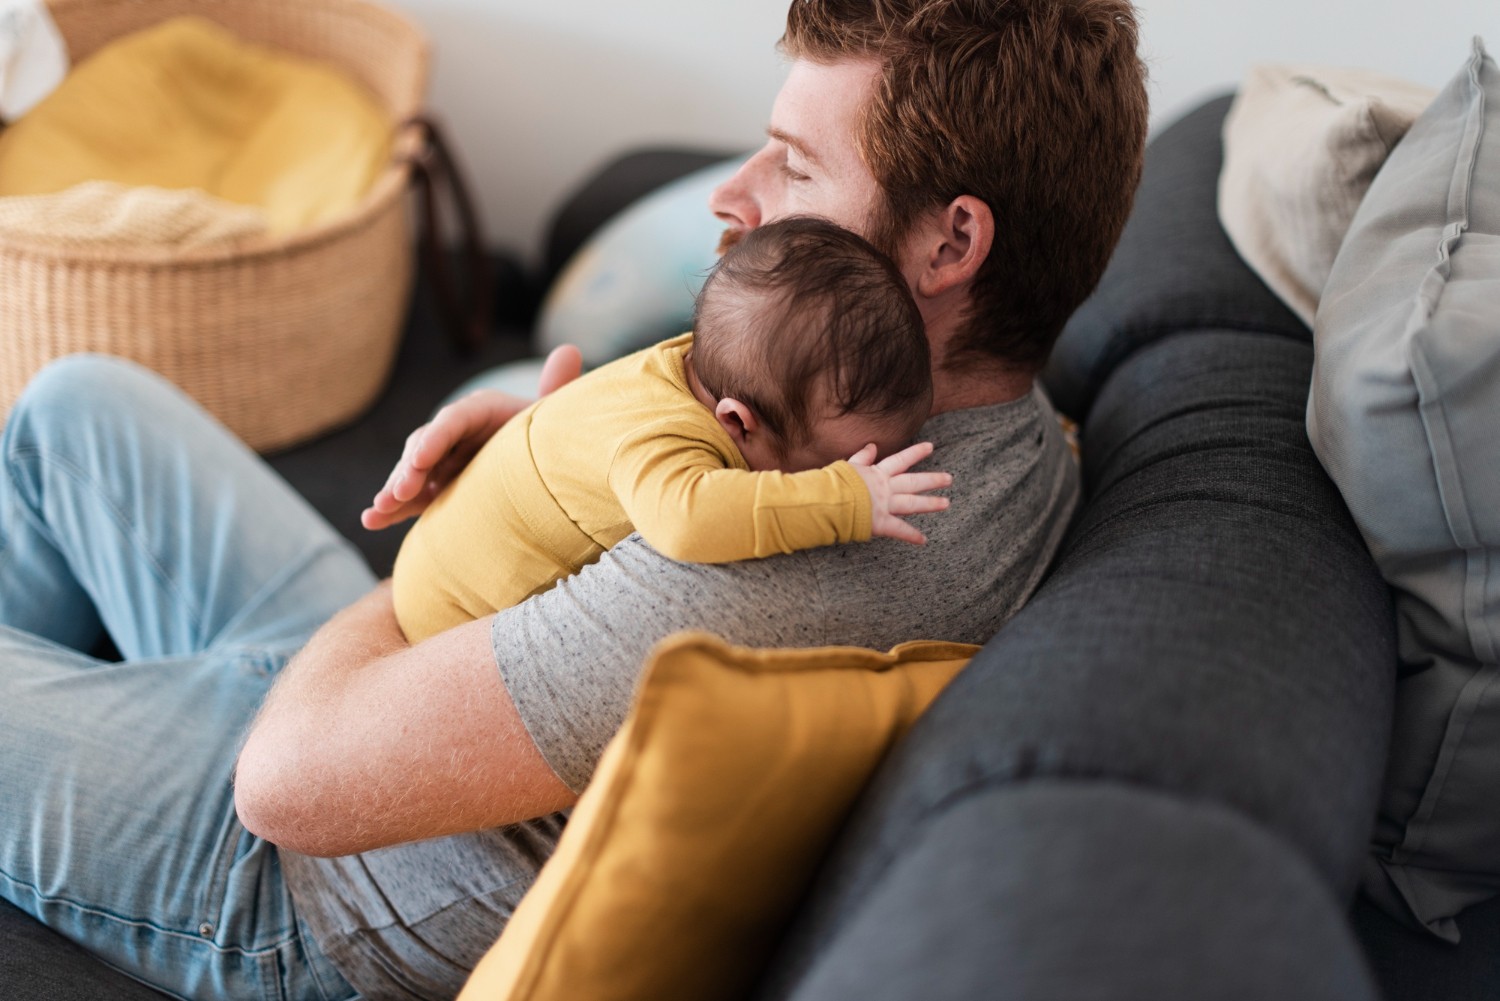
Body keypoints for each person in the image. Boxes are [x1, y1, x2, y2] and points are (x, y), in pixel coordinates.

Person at [0, 1, 1149, 999]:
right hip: (423, 700)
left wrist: (457, 533)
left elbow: (287, 784)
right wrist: (536, 466)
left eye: (795, 167)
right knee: (74, 407)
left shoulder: (788, 545)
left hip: (311, 874)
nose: (736, 200)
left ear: (954, 240)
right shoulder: (1012, 432)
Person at [393, 216, 948, 642]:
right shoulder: (669, 440)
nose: (865, 471)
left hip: (437, 549)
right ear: (736, 421)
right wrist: (846, 499)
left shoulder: (694, 362)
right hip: (446, 613)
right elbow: (689, 519)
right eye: (836, 463)